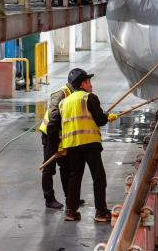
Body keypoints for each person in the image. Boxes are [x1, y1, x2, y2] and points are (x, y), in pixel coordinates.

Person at [58, 67, 118, 223]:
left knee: (74, 178)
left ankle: (71, 211)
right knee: (99, 177)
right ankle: (100, 212)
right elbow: (100, 120)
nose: (91, 84)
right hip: (89, 143)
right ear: (82, 83)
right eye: (89, 81)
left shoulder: (64, 103)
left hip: (72, 145)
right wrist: (108, 117)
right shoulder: (89, 98)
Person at [38, 82, 73, 210]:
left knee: (66, 167)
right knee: (49, 168)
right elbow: (53, 119)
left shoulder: (74, 94)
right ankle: (49, 199)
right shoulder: (61, 94)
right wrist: (54, 145)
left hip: (61, 137)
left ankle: (70, 197)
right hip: (50, 136)